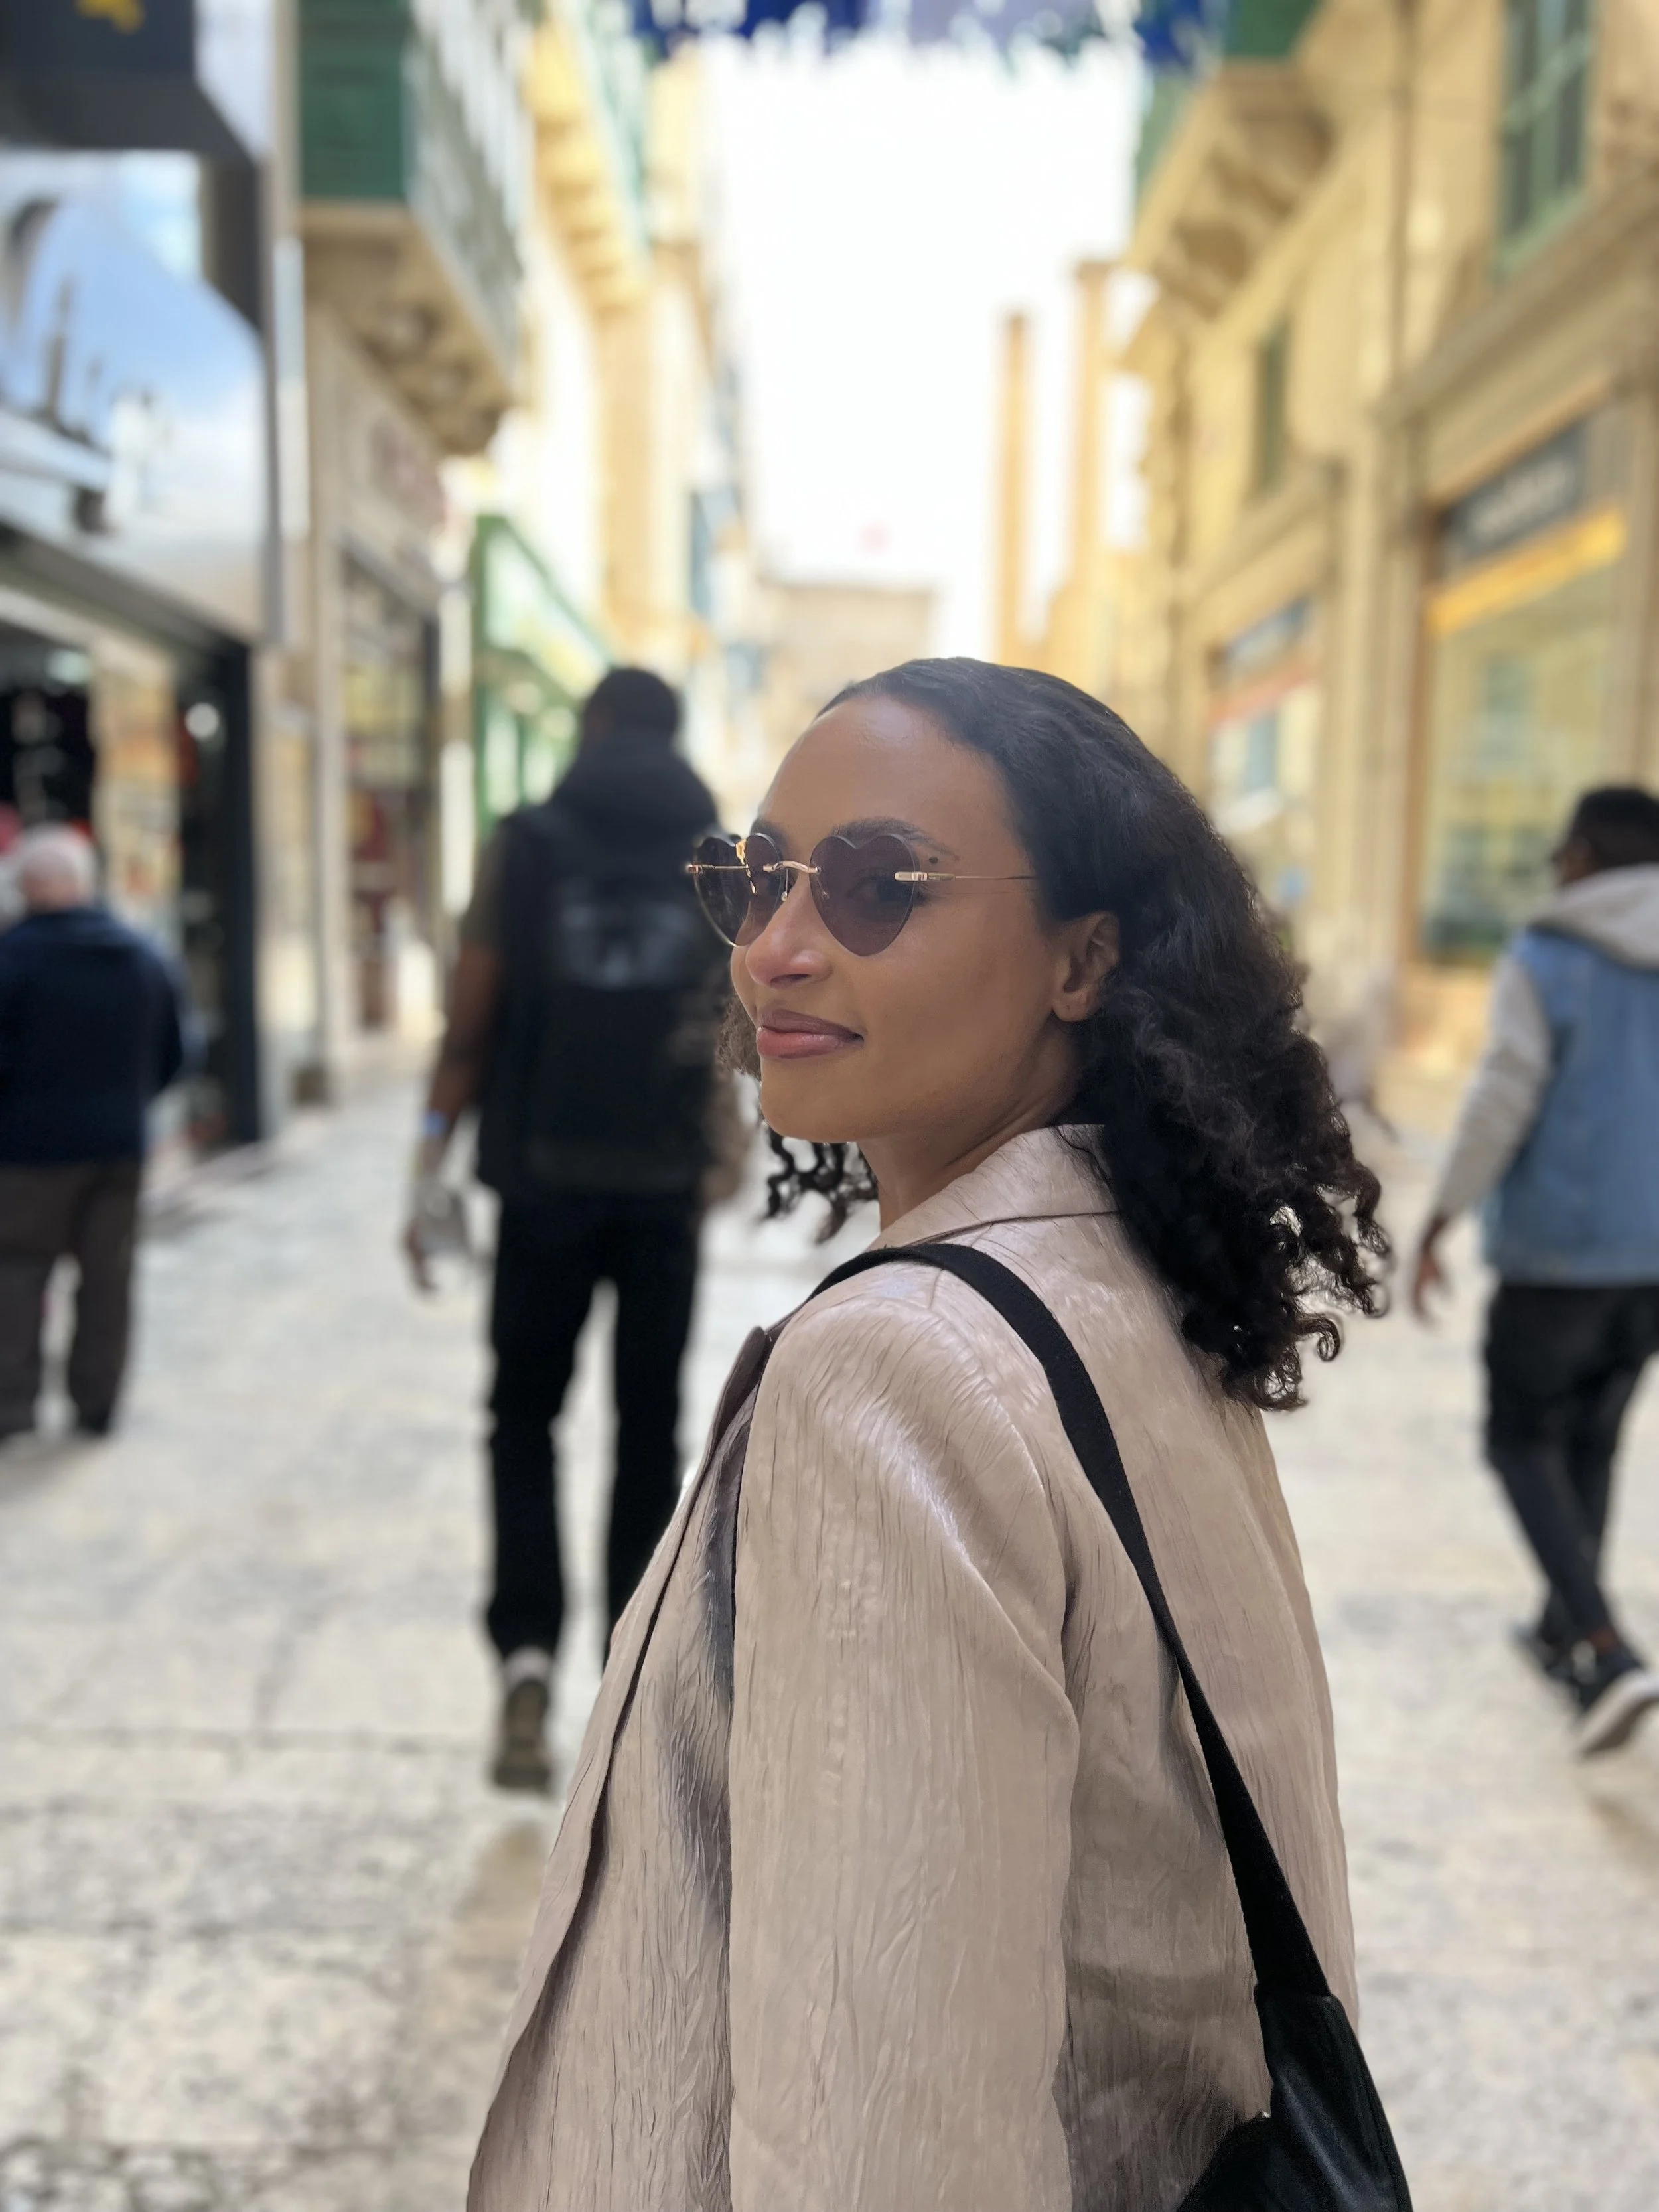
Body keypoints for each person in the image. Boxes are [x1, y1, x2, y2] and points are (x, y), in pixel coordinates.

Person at [469, 660, 1388, 2211]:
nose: (778, 944)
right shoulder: (1116, 1275)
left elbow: (885, 2132)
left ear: (1082, 957)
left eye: (876, 883)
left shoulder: (896, 1371)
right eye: (756, 881)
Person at [406, 666, 729, 1793]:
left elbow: (471, 1014)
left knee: (522, 1416)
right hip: (663, 1186)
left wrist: (427, 1163)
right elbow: (744, 1019)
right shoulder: (719, 853)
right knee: (651, 1426)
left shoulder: (527, 843)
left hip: (541, 1183)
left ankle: (527, 1652)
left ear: (589, 731)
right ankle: (626, 1674)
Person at [1413, 786, 1659, 1755]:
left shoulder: (1550, 956)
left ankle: (1606, 1648)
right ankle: (1565, 1625)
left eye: (1562, 853)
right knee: (1592, 1436)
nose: (1556, 869)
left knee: (1522, 1439)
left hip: (1560, 1253)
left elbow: (1502, 1094)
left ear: (1589, 852)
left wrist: (1440, 1213)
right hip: (1653, 1263)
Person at [0, 825, 188, 1443]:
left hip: (27, 1151)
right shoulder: (141, 954)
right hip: (118, 1144)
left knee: (19, 1274)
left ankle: (13, 1407)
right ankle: (97, 1402)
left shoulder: (12, 957)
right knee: (109, 1278)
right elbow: (176, 1053)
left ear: (27, 887)